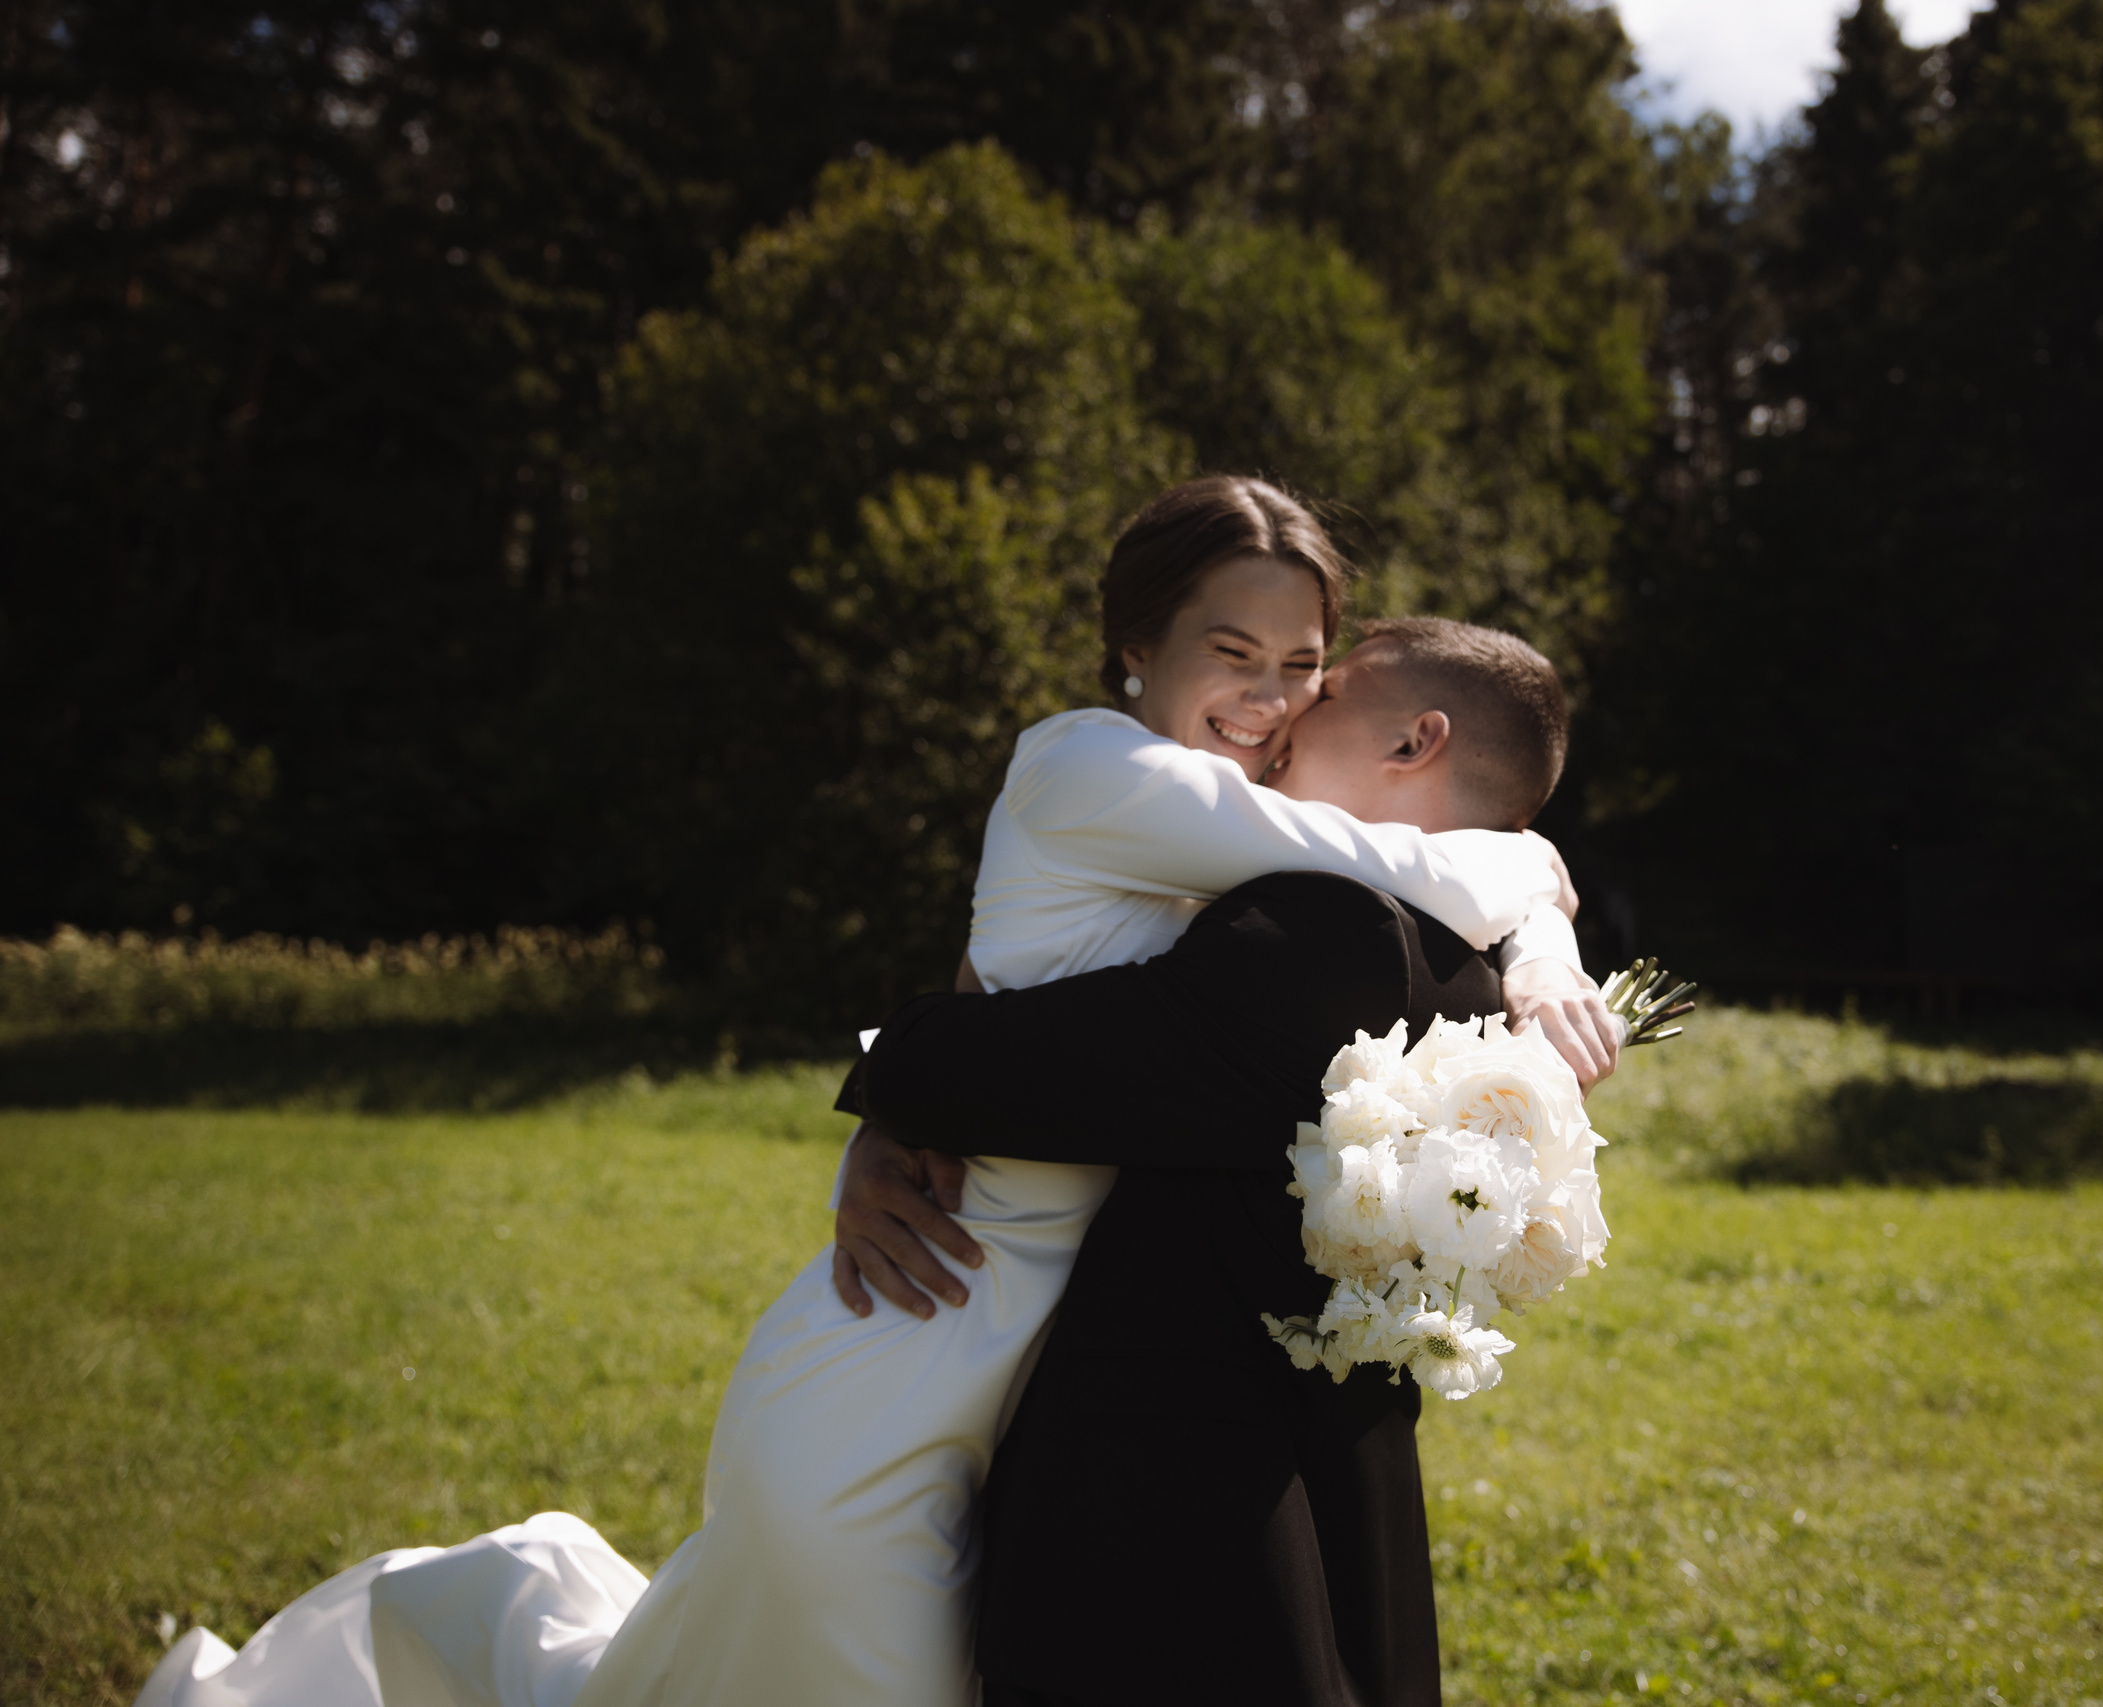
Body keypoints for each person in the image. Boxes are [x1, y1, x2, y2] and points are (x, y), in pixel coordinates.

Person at [136, 478, 1613, 1707]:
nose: (1274, 699)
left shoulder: (1241, 840)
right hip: (912, 1339)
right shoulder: (1087, 766)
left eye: (1304, 665)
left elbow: (1106, 973)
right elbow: (1420, 859)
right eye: (1236, 652)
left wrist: (1537, 924)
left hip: (1020, 1368)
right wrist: (1542, 912)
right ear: (1133, 645)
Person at [839, 614, 1587, 1707]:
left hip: (1172, 1490)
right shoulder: (1474, 966)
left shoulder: (1317, 935)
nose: (1287, 710)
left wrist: (884, 1095)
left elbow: (989, 1069)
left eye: (1323, 692)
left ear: (1415, 742)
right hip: (1345, 1450)